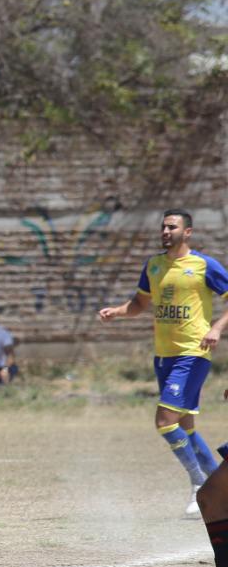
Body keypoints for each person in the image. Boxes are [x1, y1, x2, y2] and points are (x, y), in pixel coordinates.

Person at [99, 209, 228, 528]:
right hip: (164, 356)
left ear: (188, 233)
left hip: (193, 353)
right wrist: (117, 311)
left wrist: (217, 327)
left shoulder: (203, 265)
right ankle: (218, 485)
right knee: (184, 425)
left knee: (164, 420)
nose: (165, 231)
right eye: (163, 226)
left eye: (172, 226)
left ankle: (198, 482)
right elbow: (140, 304)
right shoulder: (154, 265)